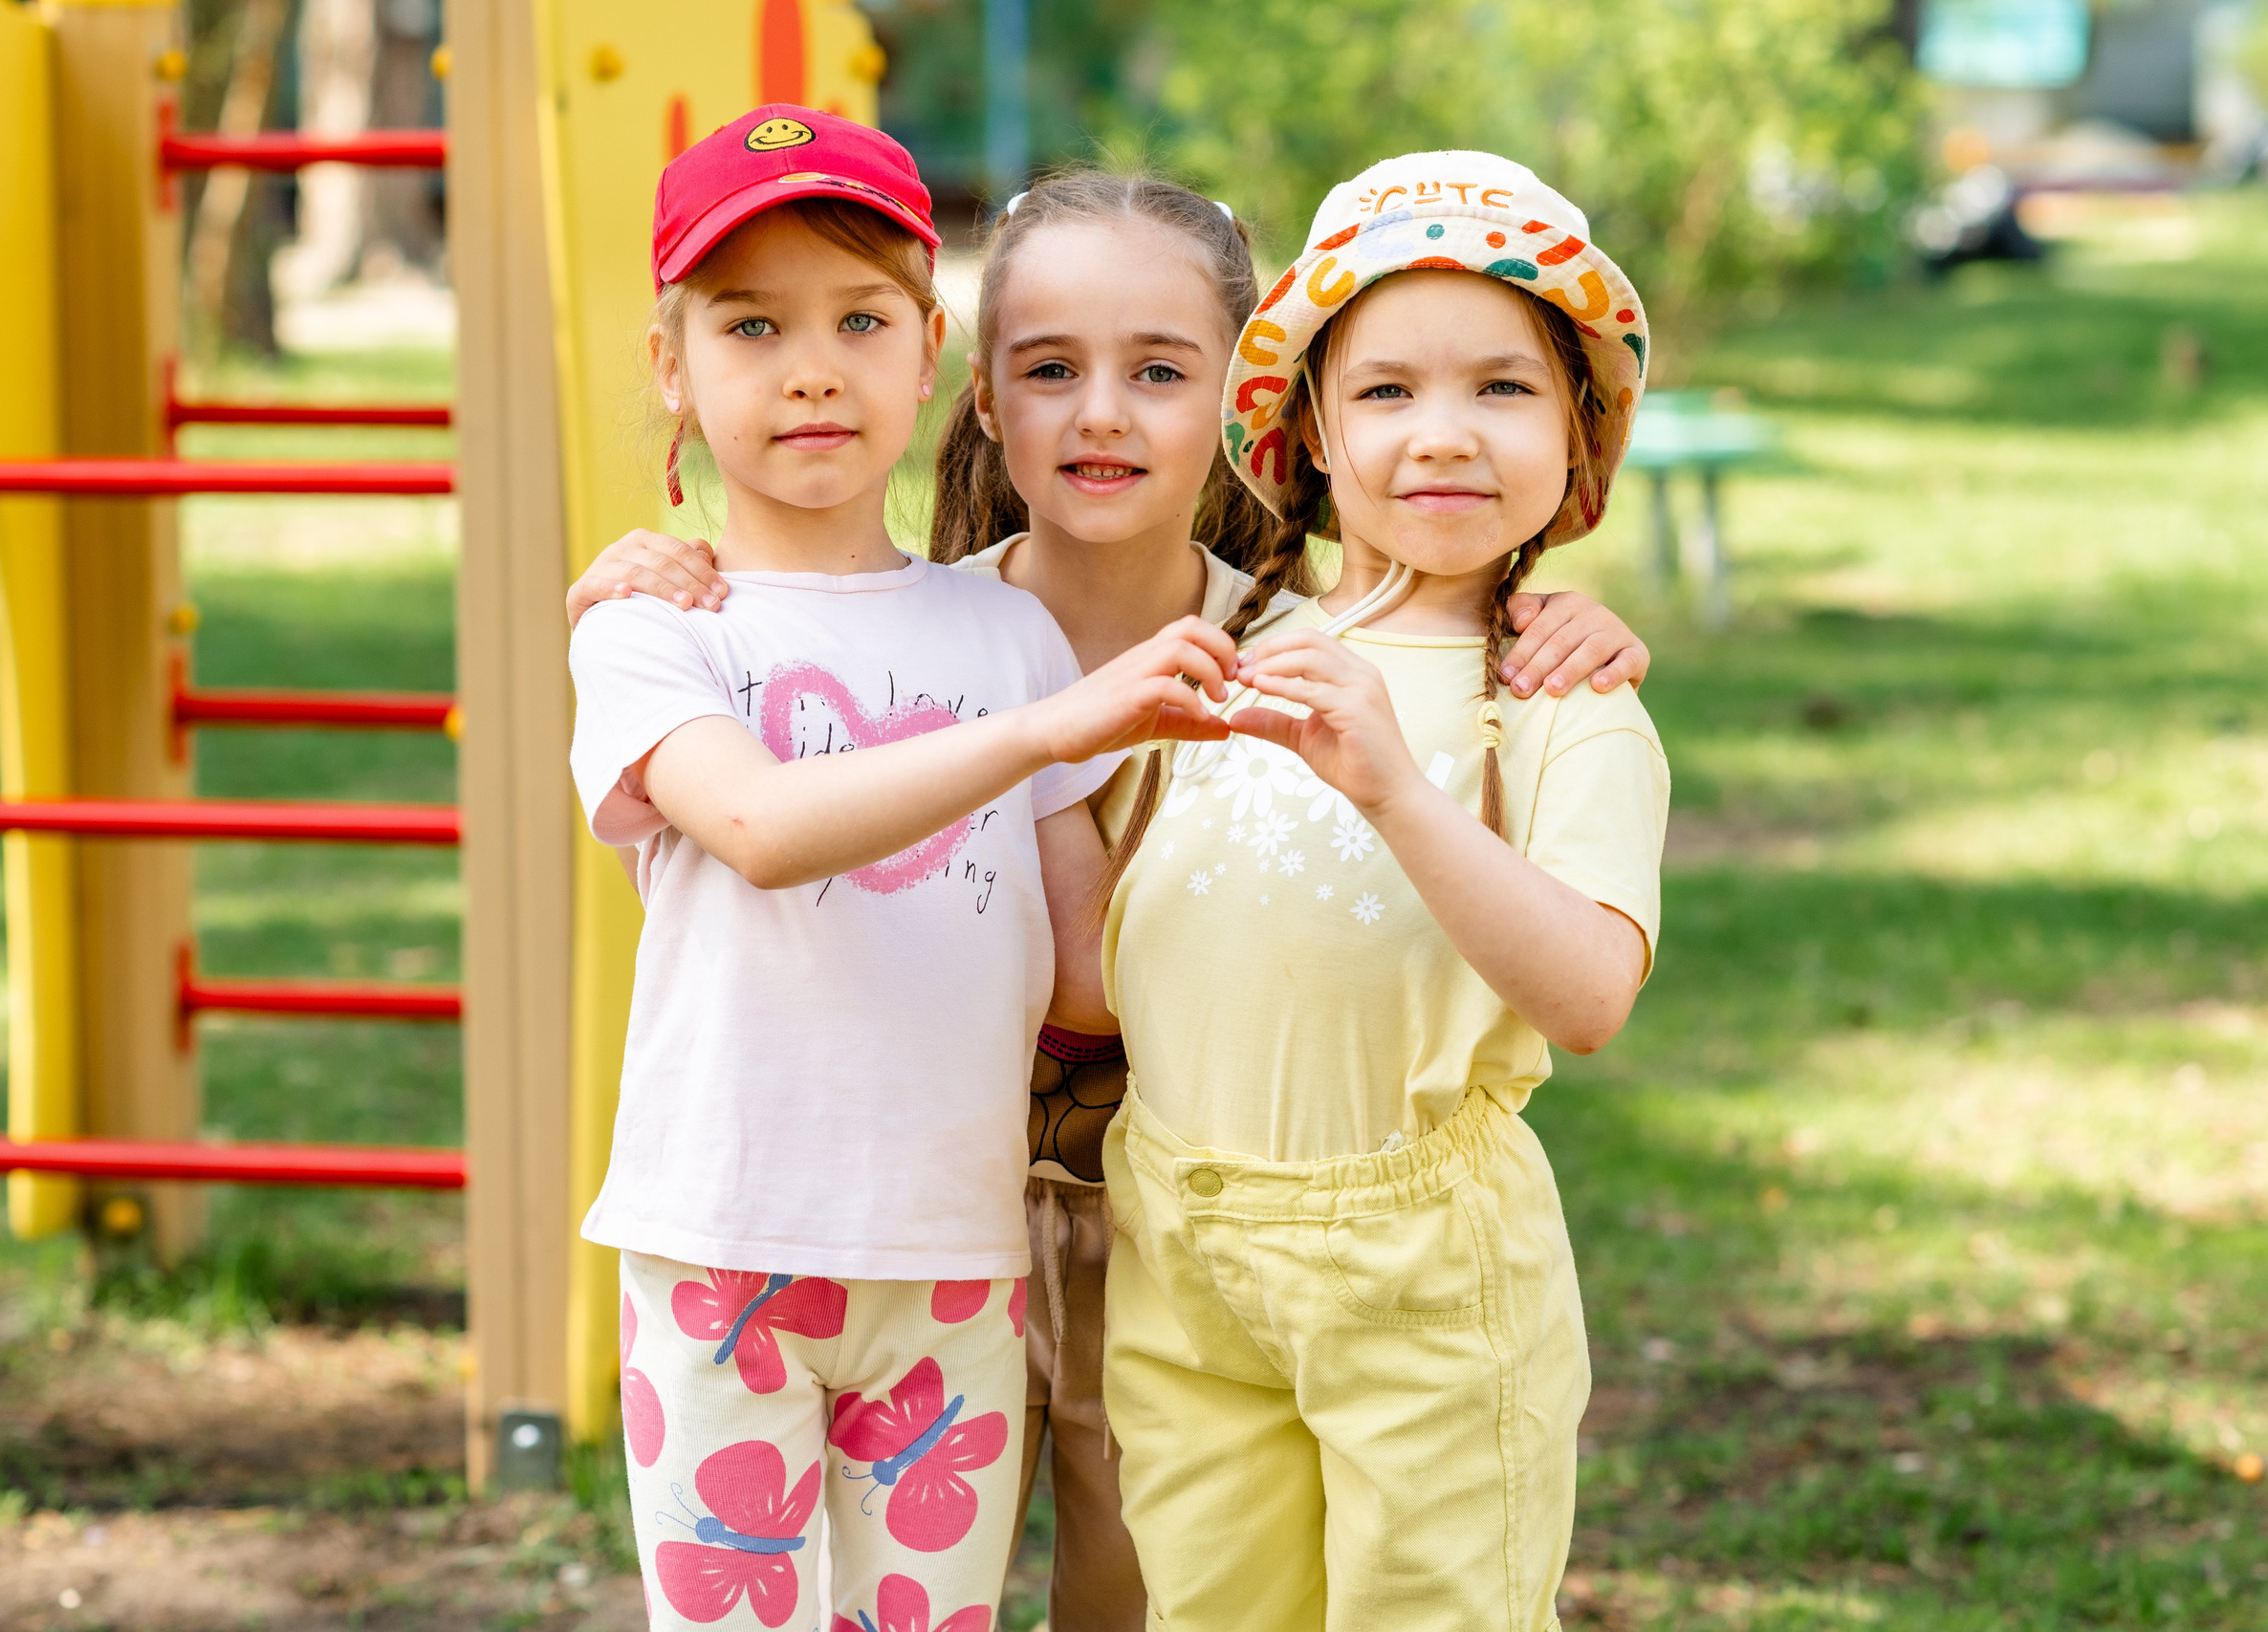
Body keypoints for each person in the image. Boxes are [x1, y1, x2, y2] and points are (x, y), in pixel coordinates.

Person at [568, 165, 1655, 1630]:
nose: (1100, 413)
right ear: (979, 391)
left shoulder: (1299, 651)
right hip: (886, 1200)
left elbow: (1437, 630)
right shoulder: (940, 626)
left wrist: (1546, 610)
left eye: (1159, 370)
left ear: (1242, 400)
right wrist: (651, 566)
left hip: (1178, 1238)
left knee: (1149, 1595)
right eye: (1049, 369)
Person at [568, 108, 1237, 1631]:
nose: (813, 367)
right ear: (674, 366)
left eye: (860, 320)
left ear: (930, 349)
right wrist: (1045, 731)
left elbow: (1082, 970)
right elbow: (758, 826)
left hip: (951, 1248)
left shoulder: (1004, 634)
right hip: (724, 1241)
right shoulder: (655, 632)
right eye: (752, 325)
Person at [1094, 150, 1670, 1632]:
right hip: (1185, 1234)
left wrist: (1399, 786)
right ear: (1309, 435)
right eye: (1390, 392)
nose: (1446, 436)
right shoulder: (1223, 632)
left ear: (1578, 444)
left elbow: (1593, 995)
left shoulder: (1559, 698)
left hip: (1420, 1267)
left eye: (1505, 389)